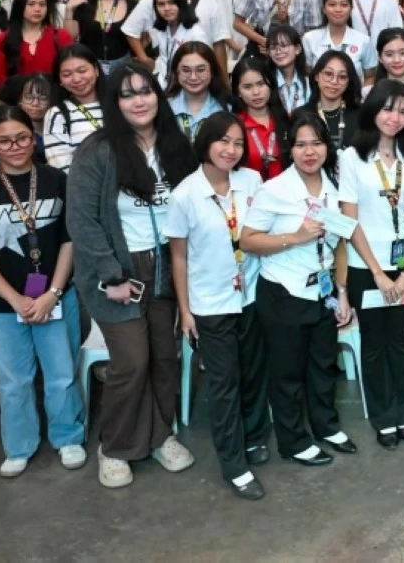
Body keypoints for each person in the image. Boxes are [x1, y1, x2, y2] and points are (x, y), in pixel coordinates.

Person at [67, 63, 198, 489]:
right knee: (131, 361)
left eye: (145, 91)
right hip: (119, 268)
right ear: (113, 102)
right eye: (126, 94)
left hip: (166, 264)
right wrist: (110, 275)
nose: (138, 100)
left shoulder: (175, 145)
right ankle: (116, 444)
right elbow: (83, 221)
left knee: (164, 357)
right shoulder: (97, 150)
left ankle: (160, 436)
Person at [0, 105, 85, 478]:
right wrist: (16, 299)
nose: (15, 147)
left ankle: (68, 437)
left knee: (61, 372)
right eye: (4, 141)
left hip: (55, 294)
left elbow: (70, 240)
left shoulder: (57, 180)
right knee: (14, 380)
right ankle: (20, 445)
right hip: (0, 304)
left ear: (34, 136)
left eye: (22, 137)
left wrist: (53, 293)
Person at [240, 112, 356, 466]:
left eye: (317, 143)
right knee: (287, 371)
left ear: (327, 147)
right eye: (301, 144)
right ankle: (292, 440)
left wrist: (342, 292)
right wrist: (295, 237)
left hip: (321, 292)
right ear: (290, 148)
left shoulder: (335, 189)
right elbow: (247, 240)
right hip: (283, 292)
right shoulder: (273, 190)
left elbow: (339, 244)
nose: (310, 151)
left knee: (323, 364)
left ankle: (325, 425)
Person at [165, 112, 269, 500]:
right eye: (223, 141)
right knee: (224, 383)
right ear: (205, 143)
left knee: (255, 372)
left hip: (253, 294)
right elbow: (179, 258)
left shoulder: (252, 181)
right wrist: (186, 310)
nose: (231, 149)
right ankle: (234, 463)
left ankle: (256, 436)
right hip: (211, 303)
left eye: (239, 143)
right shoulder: (184, 195)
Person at [337, 81, 404, 450]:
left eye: (403, 111)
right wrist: (377, 273)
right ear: (373, 111)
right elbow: (349, 219)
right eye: (388, 109)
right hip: (364, 266)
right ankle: (384, 418)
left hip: (402, 264)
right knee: (373, 343)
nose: (395, 117)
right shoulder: (352, 157)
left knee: (400, 342)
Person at [0, 0, 73, 86]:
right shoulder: (3, 40)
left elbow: (70, 72)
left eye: (42, 5)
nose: (37, 9)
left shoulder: (61, 36)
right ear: (20, 6)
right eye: (31, 4)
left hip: (55, 97)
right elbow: (1, 82)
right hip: (16, 99)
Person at [66, 0, 133, 75]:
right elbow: (71, 37)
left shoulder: (132, 5)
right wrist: (69, 10)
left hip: (124, 66)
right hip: (90, 66)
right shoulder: (83, 4)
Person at [43, 44, 105, 171]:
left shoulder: (119, 103)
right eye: (66, 75)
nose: (76, 79)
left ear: (96, 69)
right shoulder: (57, 114)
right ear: (59, 79)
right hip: (85, 187)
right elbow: (60, 165)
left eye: (82, 71)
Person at [231, 57, 290, 182]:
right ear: (238, 92)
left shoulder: (288, 121)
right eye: (247, 87)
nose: (256, 92)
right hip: (248, 197)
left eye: (261, 84)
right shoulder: (233, 127)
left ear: (270, 85)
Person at [303, 0, 378, 84]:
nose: (338, 9)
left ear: (351, 9)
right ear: (324, 9)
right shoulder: (310, 39)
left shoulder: (363, 40)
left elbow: (370, 76)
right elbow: (307, 74)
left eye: (344, 5)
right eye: (332, 5)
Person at [165, 42, 231, 142]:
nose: (193, 77)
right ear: (177, 72)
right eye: (186, 70)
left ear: (212, 72)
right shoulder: (164, 107)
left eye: (200, 70)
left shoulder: (227, 108)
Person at [306, 50, 361, 150]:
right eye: (328, 74)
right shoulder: (302, 114)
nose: (334, 81)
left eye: (342, 77)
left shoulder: (361, 116)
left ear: (349, 82)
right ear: (317, 76)